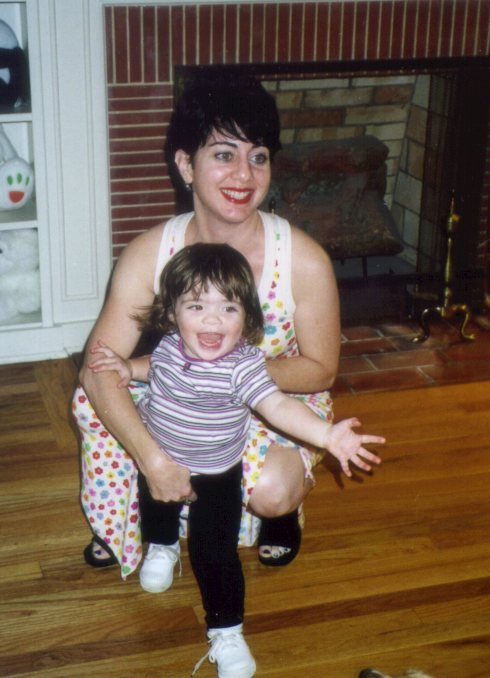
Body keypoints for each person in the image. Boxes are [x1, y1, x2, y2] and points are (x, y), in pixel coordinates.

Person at [73, 68, 378, 588]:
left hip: (273, 397)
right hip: (181, 391)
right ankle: (127, 515)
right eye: (223, 154)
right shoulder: (149, 253)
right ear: (185, 165)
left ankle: (280, 514)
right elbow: (97, 367)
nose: (244, 174)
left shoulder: (303, 259)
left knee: (272, 490)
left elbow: (321, 370)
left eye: (258, 157)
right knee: (95, 395)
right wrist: (153, 458)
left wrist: (235, 378)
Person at [86, 242, 384, 677]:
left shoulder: (243, 366)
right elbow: (157, 365)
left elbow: (277, 406)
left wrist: (326, 435)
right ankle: (163, 546)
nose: (212, 320)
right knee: (155, 507)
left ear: (247, 317)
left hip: (217, 476)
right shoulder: (170, 345)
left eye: (229, 308)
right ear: (172, 313)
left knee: (215, 554)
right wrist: (129, 368)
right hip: (160, 460)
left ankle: (226, 630)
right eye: (196, 306)